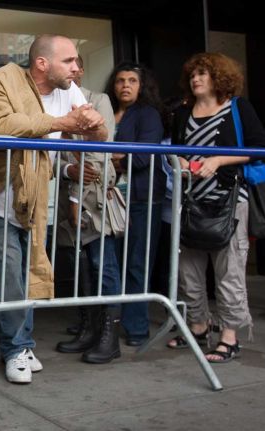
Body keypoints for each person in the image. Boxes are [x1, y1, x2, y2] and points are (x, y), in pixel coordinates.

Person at [0, 34, 108, 383]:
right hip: (1, 199)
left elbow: (101, 134)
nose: (77, 68)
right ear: (42, 64)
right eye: (70, 61)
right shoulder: (4, 79)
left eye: (78, 61)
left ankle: (23, 343)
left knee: (31, 272)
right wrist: (66, 124)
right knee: (11, 280)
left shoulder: (68, 91)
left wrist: (92, 125)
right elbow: (4, 125)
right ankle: (15, 349)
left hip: (39, 201)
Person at [167, 52, 265, 363]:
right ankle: (199, 327)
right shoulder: (183, 113)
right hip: (190, 201)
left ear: (218, 77)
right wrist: (183, 163)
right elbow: (175, 152)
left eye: (203, 73)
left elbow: (261, 149)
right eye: (192, 75)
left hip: (229, 200)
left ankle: (230, 336)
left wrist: (218, 160)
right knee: (189, 271)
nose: (195, 79)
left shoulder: (238, 108)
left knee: (230, 271)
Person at [55, 55, 123, 364]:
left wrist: (75, 195)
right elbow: (48, 152)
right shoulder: (51, 103)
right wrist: (68, 169)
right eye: (64, 63)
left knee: (102, 264)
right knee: (78, 265)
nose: (71, 70)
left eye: (75, 65)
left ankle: (109, 336)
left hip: (93, 198)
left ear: (81, 70)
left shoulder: (99, 100)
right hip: (64, 193)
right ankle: (88, 328)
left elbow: (99, 152)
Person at [104, 61, 165, 347]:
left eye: (132, 81)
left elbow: (143, 158)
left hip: (141, 199)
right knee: (110, 264)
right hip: (108, 199)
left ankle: (137, 328)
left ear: (142, 86)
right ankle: (106, 324)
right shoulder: (107, 113)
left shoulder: (148, 114)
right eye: (120, 80)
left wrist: (112, 157)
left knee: (137, 264)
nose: (125, 85)